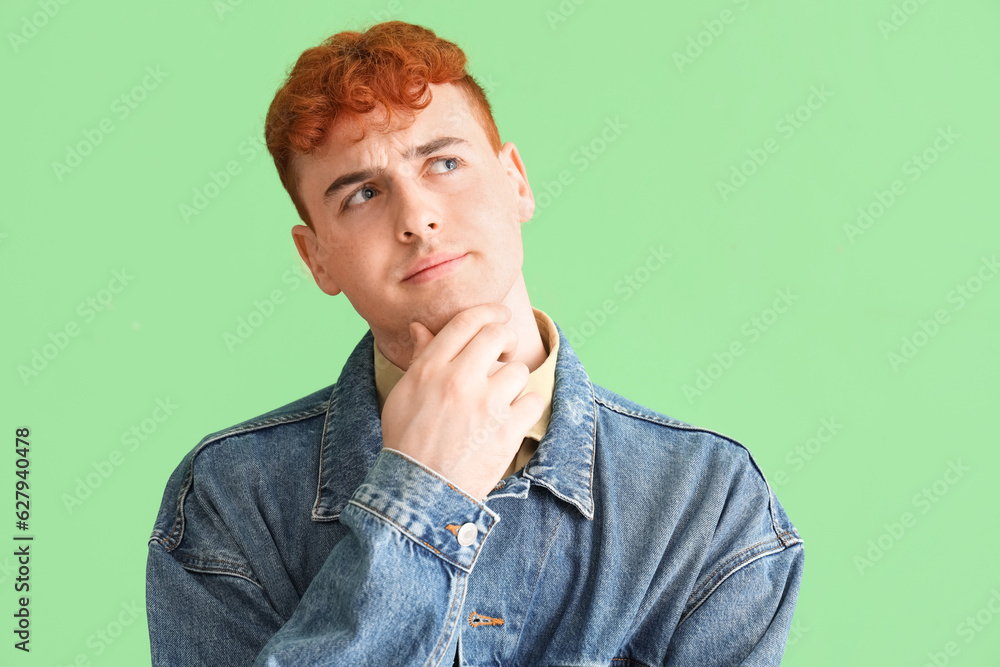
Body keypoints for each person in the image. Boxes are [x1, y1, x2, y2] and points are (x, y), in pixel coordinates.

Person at [146, 20, 804, 666]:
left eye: (445, 162)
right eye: (364, 194)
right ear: (316, 256)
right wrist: (419, 494)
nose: (417, 217)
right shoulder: (230, 498)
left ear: (516, 179)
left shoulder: (704, 499)